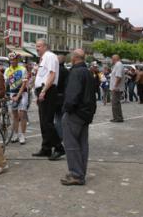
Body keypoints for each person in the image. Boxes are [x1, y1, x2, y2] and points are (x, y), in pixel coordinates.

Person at [60, 49, 97, 186]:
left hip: (76, 113)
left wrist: (66, 109)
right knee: (82, 144)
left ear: (74, 58)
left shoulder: (76, 72)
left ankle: (76, 174)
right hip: (86, 113)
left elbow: (72, 95)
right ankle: (80, 172)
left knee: (71, 144)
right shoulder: (87, 72)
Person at [32, 39, 65, 160]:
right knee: (43, 122)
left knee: (47, 121)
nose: (37, 48)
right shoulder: (44, 57)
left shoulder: (50, 56)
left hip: (48, 91)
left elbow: (52, 75)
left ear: (45, 46)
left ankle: (59, 147)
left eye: (39, 46)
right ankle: (46, 148)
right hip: (43, 90)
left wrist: (44, 90)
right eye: (36, 46)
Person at [4, 52, 28, 144]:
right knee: (14, 116)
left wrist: (18, 96)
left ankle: (22, 135)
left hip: (22, 94)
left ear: (17, 60)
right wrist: (4, 94)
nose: (12, 61)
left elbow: (24, 84)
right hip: (12, 94)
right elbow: (5, 84)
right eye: (11, 60)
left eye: (14, 60)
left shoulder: (23, 69)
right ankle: (15, 134)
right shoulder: (7, 70)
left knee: (22, 114)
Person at [55, 55, 69, 140]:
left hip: (57, 96)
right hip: (64, 96)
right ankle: (63, 134)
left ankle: (60, 136)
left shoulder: (56, 71)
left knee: (58, 118)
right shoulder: (67, 71)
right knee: (62, 117)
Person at [110, 55, 125, 122]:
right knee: (117, 103)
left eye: (112, 59)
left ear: (114, 59)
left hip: (116, 88)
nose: (111, 60)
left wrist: (115, 86)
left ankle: (117, 118)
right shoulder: (118, 65)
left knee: (115, 103)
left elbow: (118, 77)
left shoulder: (118, 65)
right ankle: (119, 117)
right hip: (117, 88)